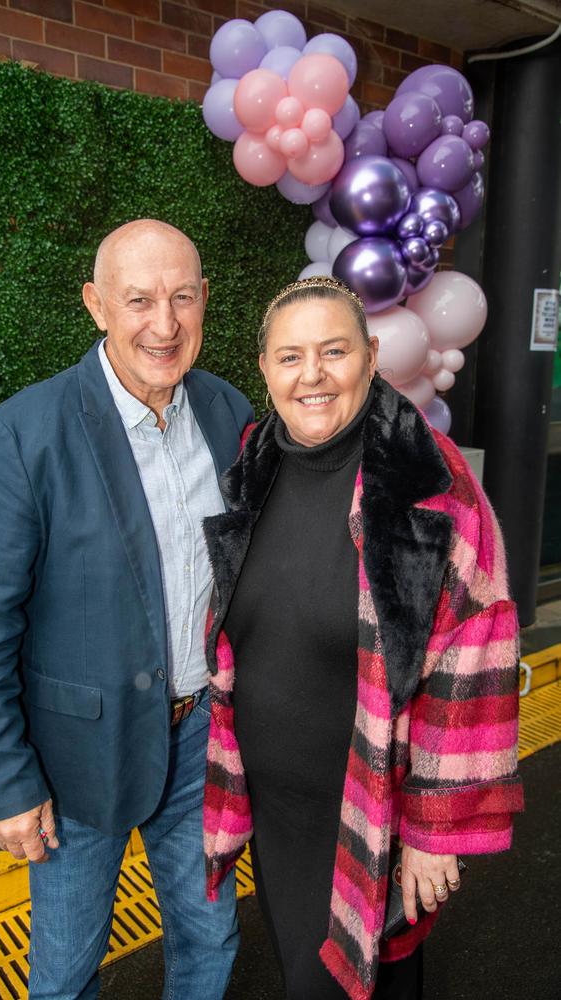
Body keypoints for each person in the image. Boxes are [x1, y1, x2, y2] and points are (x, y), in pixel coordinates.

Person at [0, 220, 253, 1000]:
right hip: (74, 758)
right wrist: (5, 780)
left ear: (206, 300)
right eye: (139, 299)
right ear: (96, 305)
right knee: (67, 970)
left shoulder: (227, 412)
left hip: (201, 743)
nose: (165, 322)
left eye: (183, 297)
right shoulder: (24, 434)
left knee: (209, 935)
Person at [202, 276, 524, 1000]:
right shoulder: (256, 461)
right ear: (264, 369)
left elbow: (474, 651)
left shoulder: (428, 481)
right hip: (279, 810)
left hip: (374, 805)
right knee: (308, 973)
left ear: (372, 356)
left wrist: (434, 830)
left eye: (333, 351)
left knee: (359, 983)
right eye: (289, 357)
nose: (310, 375)